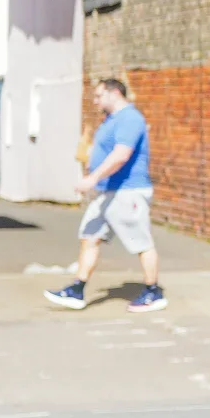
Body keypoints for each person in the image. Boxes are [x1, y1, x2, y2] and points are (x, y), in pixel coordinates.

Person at [46, 79, 165, 312]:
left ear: (115, 93)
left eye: (99, 95)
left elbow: (121, 155)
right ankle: (77, 290)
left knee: (139, 241)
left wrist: (93, 178)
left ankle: (153, 291)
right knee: (90, 236)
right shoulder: (111, 121)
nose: (95, 100)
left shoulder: (130, 118)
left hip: (127, 191)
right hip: (108, 191)